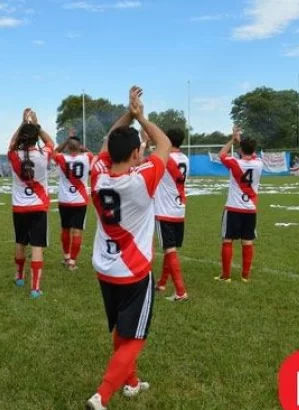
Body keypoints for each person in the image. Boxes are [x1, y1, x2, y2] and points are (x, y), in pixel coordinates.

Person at [85, 86, 171, 410]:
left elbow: (108, 140)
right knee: (135, 337)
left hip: (104, 268)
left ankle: (132, 382)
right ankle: (102, 394)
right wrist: (141, 116)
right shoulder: (142, 178)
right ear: (137, 153)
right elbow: (164, 144)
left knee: (122, 329)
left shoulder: (98, 175)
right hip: (134, 271)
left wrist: (127, 115)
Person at [7, 108, 54, 299]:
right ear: (36, 139)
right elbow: (51, 142)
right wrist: (36, 124)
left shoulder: (13, 155)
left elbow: (11, 144)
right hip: (38, 206)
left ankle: (19, 277)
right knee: (36, 246)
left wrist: (22, 124)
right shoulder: (44, 154)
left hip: (20, 207)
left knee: (20, 242)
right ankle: (35, 288)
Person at [215, 126, 263, 283]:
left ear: (240, 150)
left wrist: (233, 139)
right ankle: (245, 276)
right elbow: (251, 154)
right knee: (247, 241)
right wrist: (241, 142)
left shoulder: (235, 162)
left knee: (227, 240)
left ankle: (226, 276)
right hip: (250, 208)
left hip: (234, 208)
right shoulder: (259, 163)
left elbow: (221, 154)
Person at [154, 128, 189, 301]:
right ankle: (161, 283)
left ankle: (180, 291)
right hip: (179, 208)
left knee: (170, 249)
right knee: (171, 249)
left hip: (164, 210)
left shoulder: (165, 158)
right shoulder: (186, 159)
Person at [52, 129, 93, 271]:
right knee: (77, 231)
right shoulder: (87, 157)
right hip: (80, 201)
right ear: (80, 146)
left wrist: (66, 141)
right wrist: (81, 147)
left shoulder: (63, 158)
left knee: (65, 229)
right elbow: (90, 153)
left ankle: (66, 256)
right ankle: (72, 262)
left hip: (64, 200)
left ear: (68, 147)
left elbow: (54, 152)